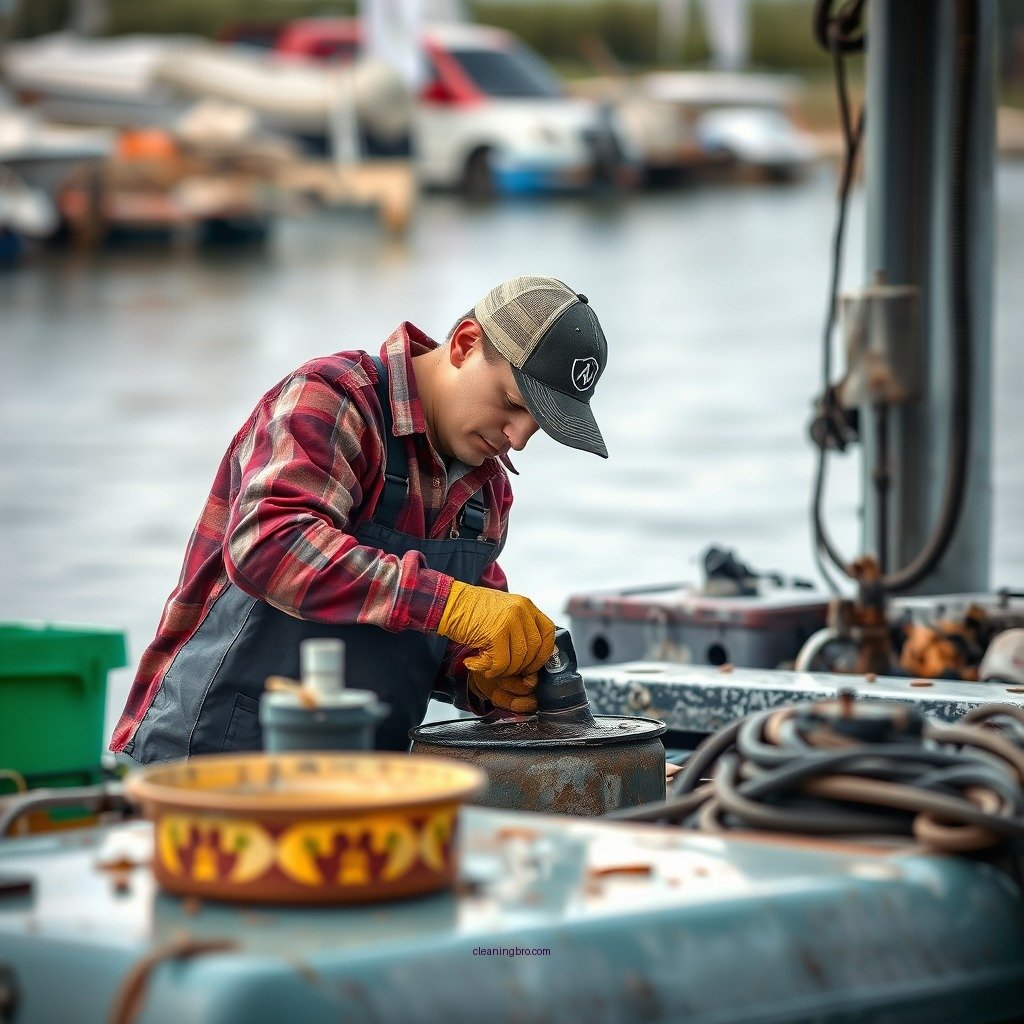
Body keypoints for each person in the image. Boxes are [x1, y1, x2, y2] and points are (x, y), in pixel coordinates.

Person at [111, 275, 609, 762]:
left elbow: (440, 632)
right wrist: (452, 606)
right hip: (214, 762)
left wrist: (480, 675)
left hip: (363, 782)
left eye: (537, 425)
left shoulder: (488, 491)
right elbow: (269, 545)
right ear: (464, 344)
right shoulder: (333, 398)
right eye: (513, 404)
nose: (518, 438)